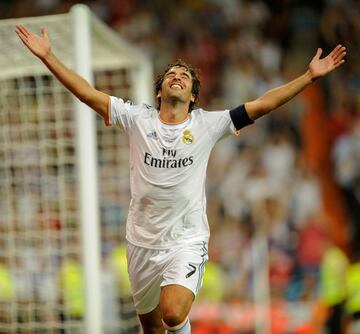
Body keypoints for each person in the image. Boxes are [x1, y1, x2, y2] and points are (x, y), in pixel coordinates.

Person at [15, 24, 346, 334]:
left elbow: (262, 104)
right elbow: (87, 93)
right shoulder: (137, 118)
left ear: (192, 97)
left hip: (185, 240)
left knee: (172, 313)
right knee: (152, 328)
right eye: (171, 74)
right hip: (141, 241)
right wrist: (48, 57)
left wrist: (308, 77)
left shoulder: (207, 124)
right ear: (159, 92)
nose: (177, 77)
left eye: (184, 76)